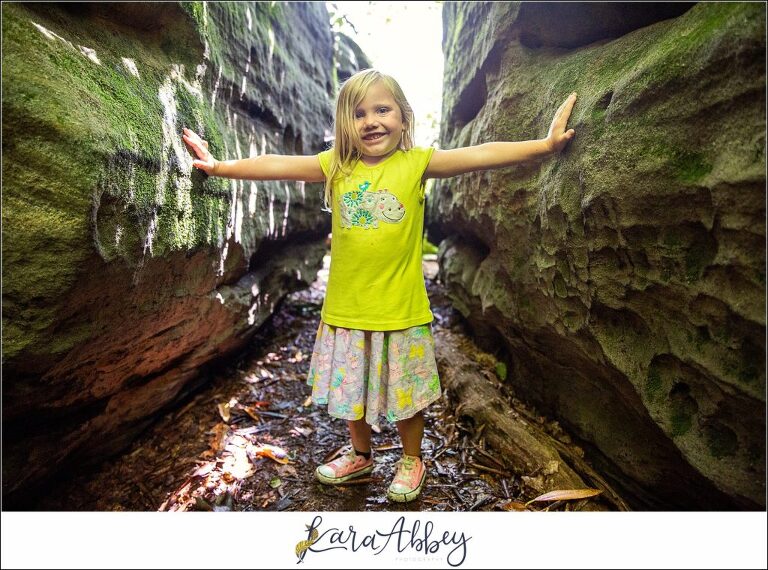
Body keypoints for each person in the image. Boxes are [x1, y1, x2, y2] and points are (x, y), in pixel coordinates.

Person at [182, 68, 576, 503]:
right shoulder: (337, 166)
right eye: (359, 113)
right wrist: (219, 167)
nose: (371, 121)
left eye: (382, 110)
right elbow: (276, 164)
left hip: (400, 309)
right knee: (352, 392)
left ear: (403, 119)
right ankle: (360, 455)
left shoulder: (416, 163)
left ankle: (412, 459)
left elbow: (480, 153)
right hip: (347, 310)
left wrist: (544, 145)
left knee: (406, 396)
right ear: (345, 124)